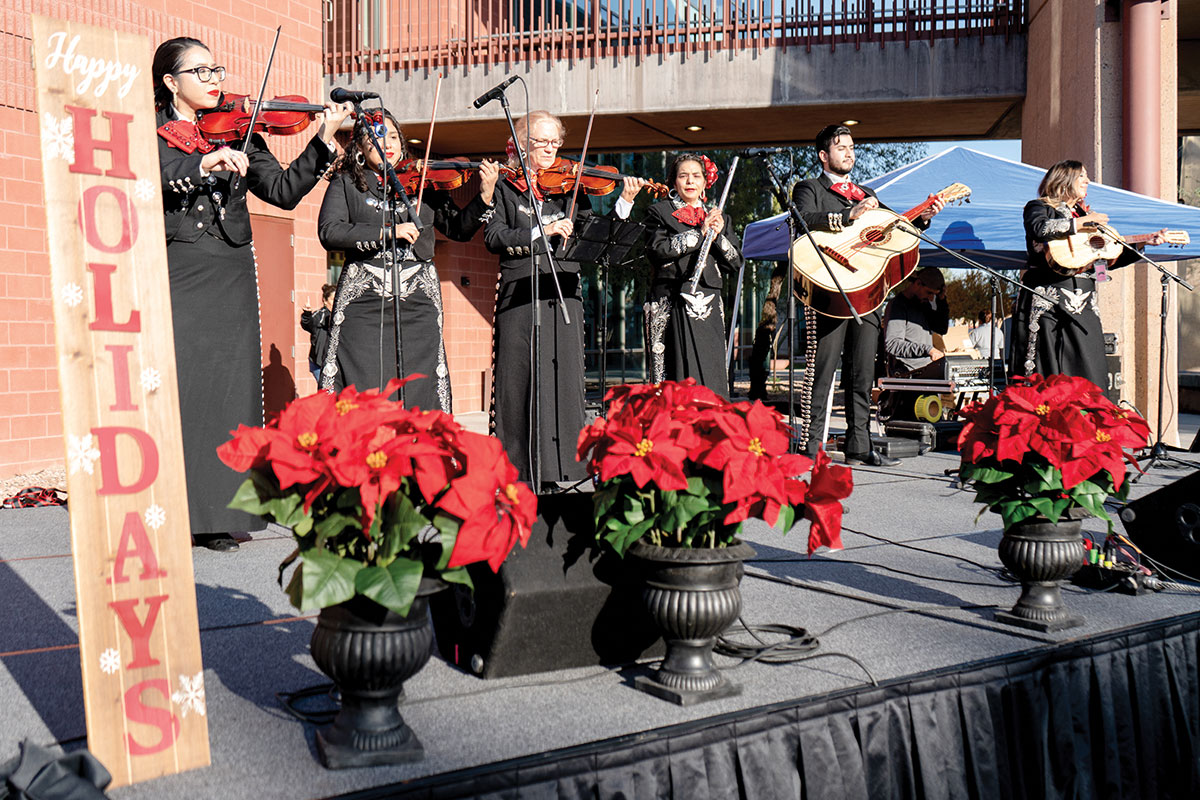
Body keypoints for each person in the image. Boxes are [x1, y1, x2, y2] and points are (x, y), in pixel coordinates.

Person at [153, 37, 352, 551]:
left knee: (229, 389)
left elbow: (283, 191)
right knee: (184, 383)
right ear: (171, 82)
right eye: (200, 71)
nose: (214, 78)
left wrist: (324, 139)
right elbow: (150, 178)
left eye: (216, 67)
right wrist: (203, 164)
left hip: (232, 268)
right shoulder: (151, 133)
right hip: (180, 266)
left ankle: (220, 513)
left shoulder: (243, 132)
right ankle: (173, 505)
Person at [484, 110, 644, 486]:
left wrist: (624, 203)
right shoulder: (506, 187)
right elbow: (494, 238)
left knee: (563, 379)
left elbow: (592, 238)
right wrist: (542, 234)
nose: (551, 149)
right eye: (542, 141)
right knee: (519, 380)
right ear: (523, 144)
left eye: (555, 142)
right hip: (520, 294)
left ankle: (563, 469)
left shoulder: (571, 187)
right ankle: (519, 470)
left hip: (564, 293)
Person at [317, 110, 498, 412]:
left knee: (420, 381)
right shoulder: (346, 182)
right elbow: (329, 231)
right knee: (362, 384)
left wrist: (484, 196)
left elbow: (458, 229)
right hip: (364, 299)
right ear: (359, 147)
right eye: (374, 137)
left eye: (392, 136)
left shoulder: (422, 182)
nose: (386, 143)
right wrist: (387, 232)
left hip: (418, 301)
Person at [792, 124, 944, 466]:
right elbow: (802, 217)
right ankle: (811, 446)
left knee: (862, 372)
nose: (849, 152)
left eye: (852, 146)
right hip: (829, 287)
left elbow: (894, 227)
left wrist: (922, 220)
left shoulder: (866, 191)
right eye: (841, 147)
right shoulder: (809, 188)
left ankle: (859, 444)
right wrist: (848, 214)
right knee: (822, 370)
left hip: (868, 291)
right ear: (824, 156)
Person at [1009, 160, 1167, 386]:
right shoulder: (1039, 207)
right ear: (1064, 179)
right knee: (1047, 367)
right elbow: (1039, 229)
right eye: (1082, 175)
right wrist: (1080, 223)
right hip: (1048, 300)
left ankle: (1089, 416)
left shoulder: (1086, 215)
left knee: (1089, 365)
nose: (1088, 180)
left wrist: (1143, 244)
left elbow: (1107, 257)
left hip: (1084, 301)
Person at [643, 153, 743, 393]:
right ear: (674, 181)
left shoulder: (720, 217)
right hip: (671, 296)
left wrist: (717, 237)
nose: (690, 181)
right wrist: (699, 233)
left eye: (696, 176)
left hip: (708, 299)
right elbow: (658, 250)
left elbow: (736, 263)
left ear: (705, 181)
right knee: (673, 370)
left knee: (711, 369)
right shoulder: (659, 212)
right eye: (683, 176)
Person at [883, 267, 950, 379]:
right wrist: (927, 349)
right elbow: (892, 344)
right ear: (918, 283)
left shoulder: (923, 303)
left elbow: (941, 328)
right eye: (929, 292)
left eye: (934, 295)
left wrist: (942, 300)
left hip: (925, 371)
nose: (931, 297)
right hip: (906, 374)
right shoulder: (898, 306)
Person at [300, 283, 336, 384]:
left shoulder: (342, 317)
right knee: (325, 389)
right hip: (319, 362)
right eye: (333, 299)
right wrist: (307, 314)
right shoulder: (319, 315)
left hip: (334, 363)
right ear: (325, 301)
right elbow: (308, 324)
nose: (336, 302)